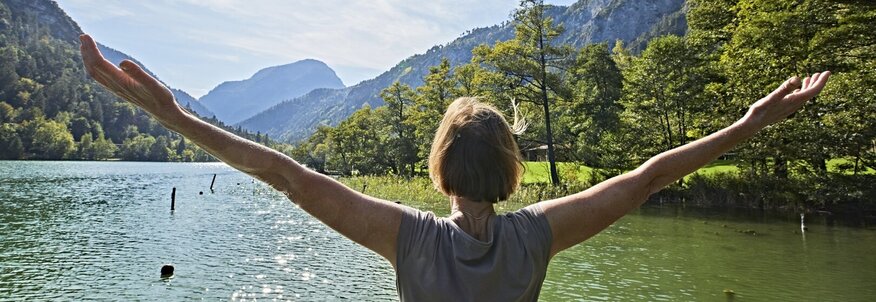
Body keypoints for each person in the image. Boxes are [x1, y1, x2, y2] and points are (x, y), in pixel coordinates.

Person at [78, 34, 831, 301]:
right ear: (510, 172)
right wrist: (748, 123)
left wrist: (177, 120)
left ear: (438, 172)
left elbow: (290, 177)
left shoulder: (409, 240)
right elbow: (647, 177)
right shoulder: (536, 237)